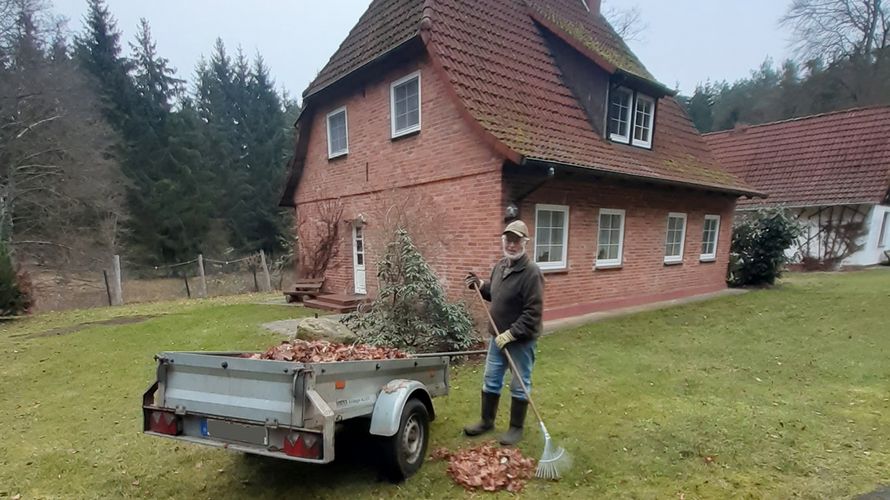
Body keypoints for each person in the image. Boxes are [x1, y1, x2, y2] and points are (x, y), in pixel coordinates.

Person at [463, 219, 544, 446]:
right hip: (496, 337)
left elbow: (532, 313)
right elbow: (496, 294)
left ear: (524, 243)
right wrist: (481, 284)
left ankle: (516, 428)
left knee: (520, 383)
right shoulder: (501, 266)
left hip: (520, 341)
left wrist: (511, 334)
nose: (511, 244)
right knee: (491, 379)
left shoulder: (531, 273)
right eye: (508, 239)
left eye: (516, 240)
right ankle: (486, 421)